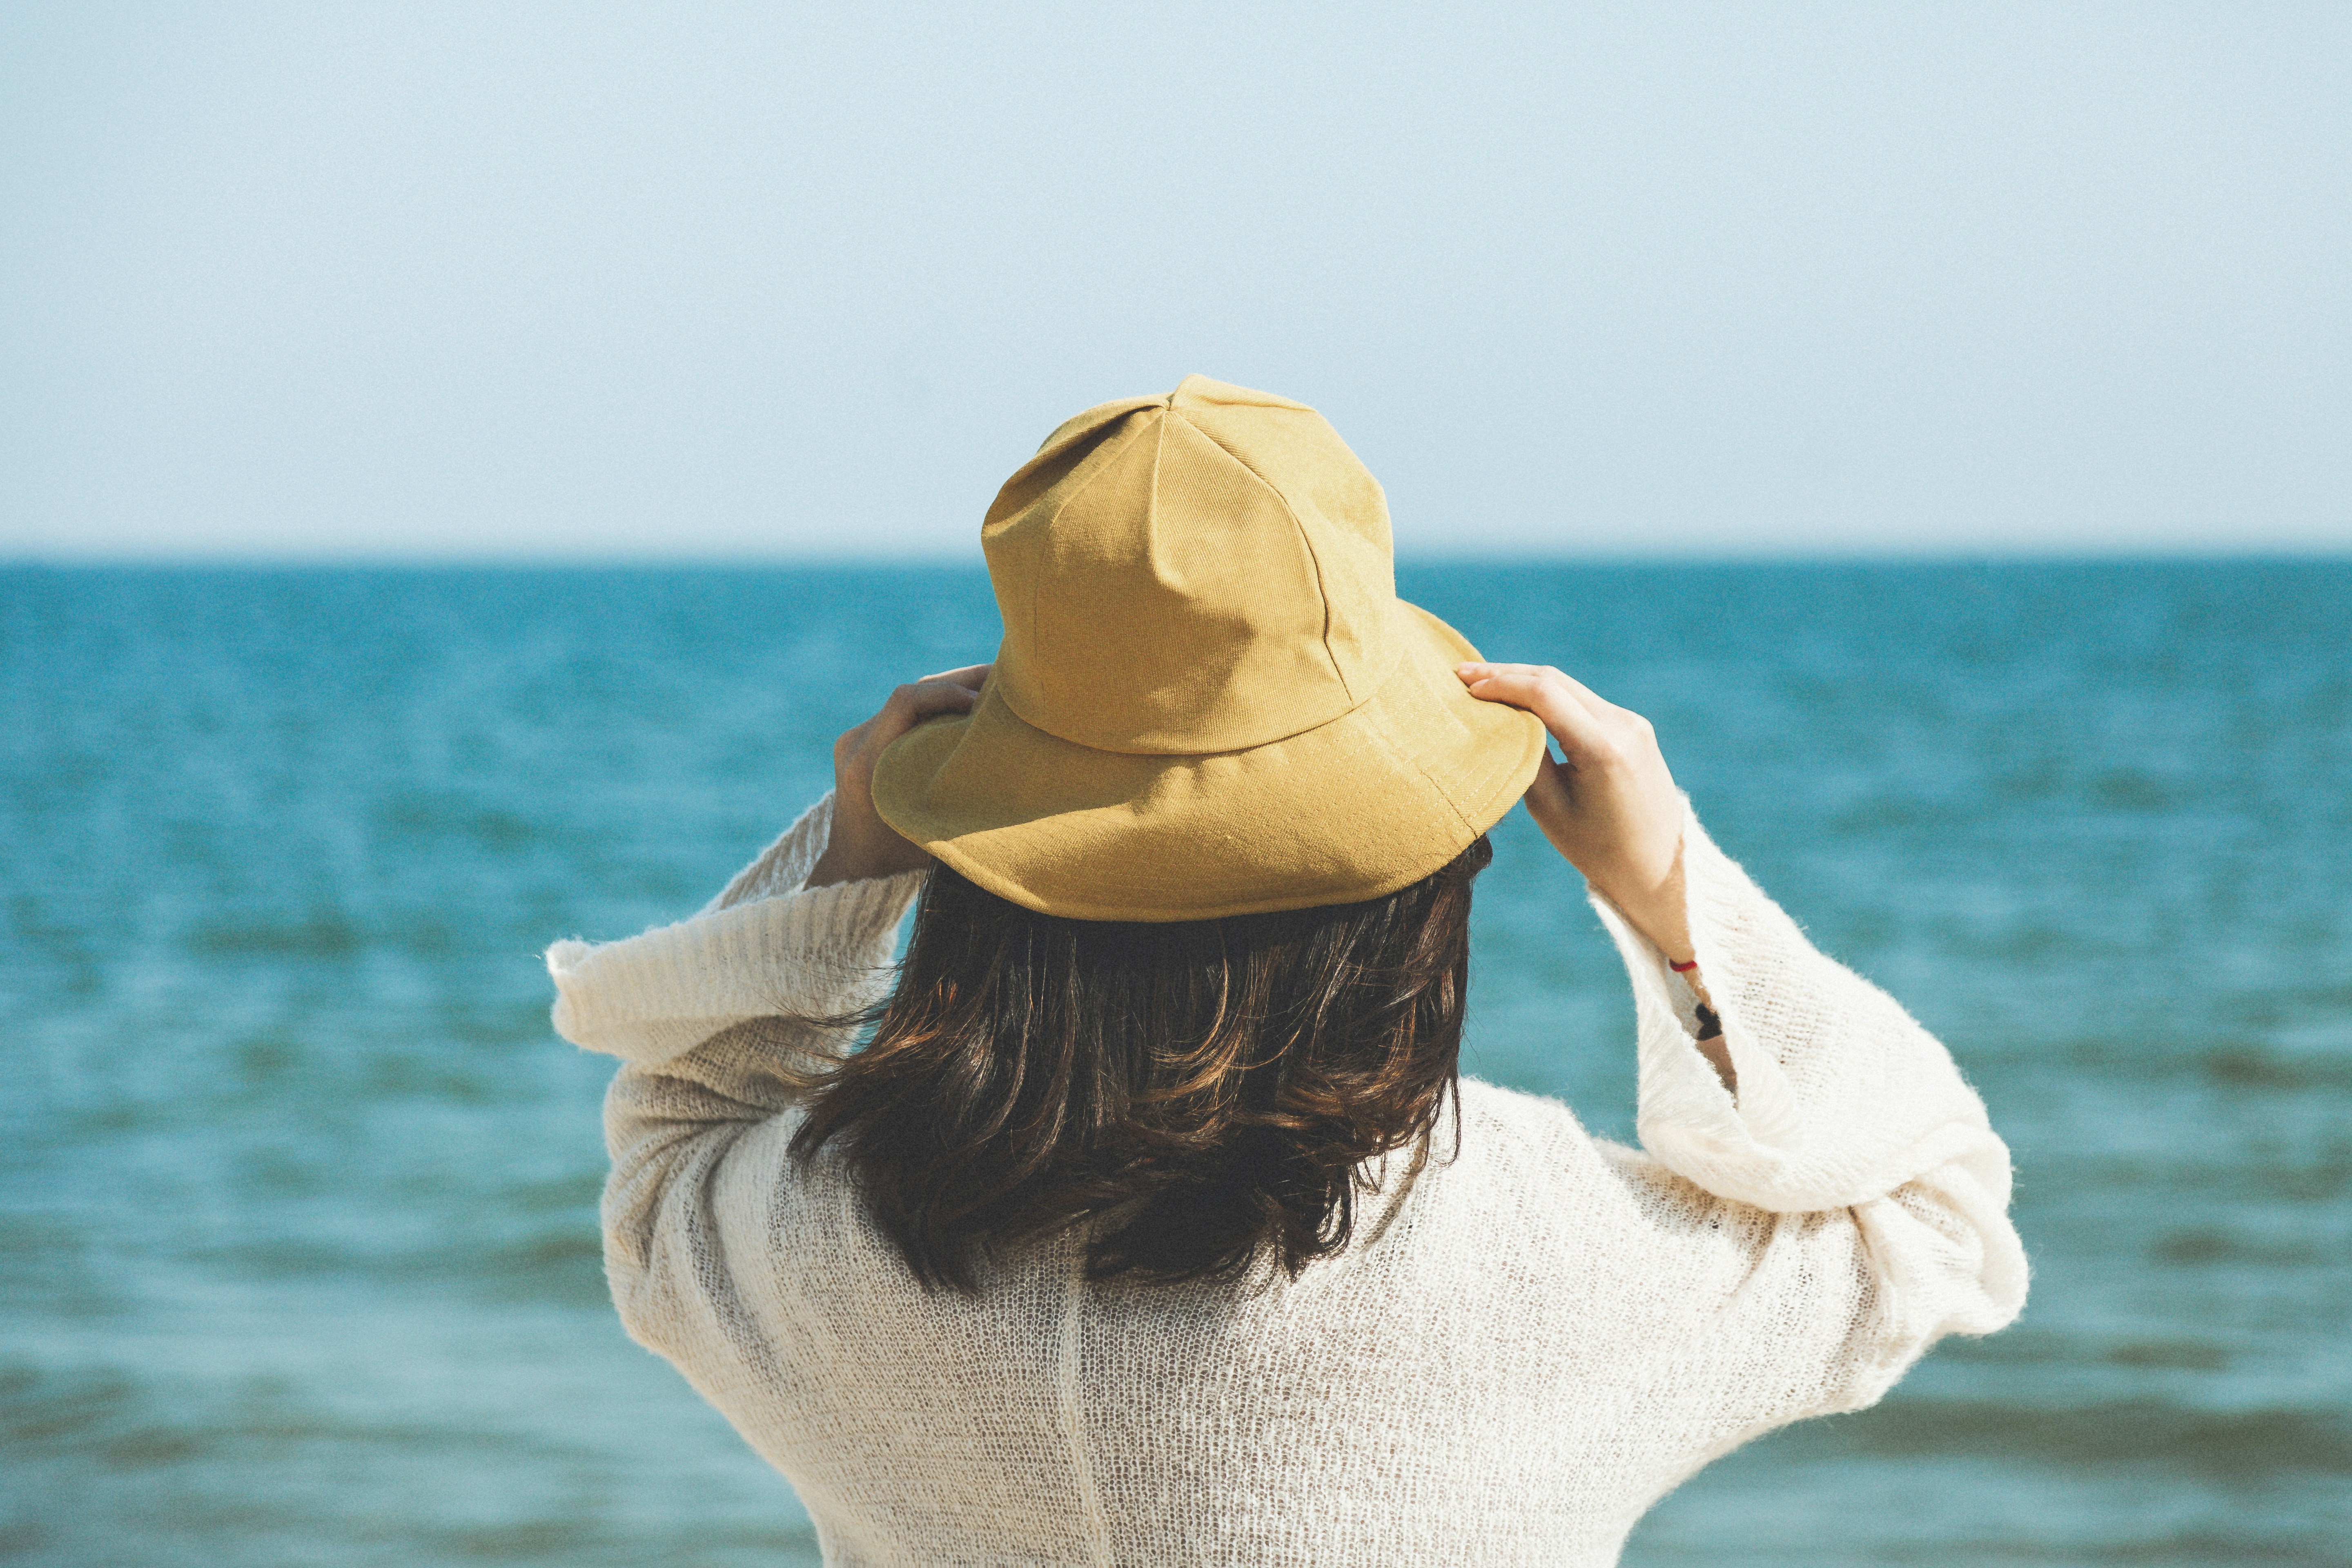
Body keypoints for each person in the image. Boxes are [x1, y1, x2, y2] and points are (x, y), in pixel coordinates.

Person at [547, 376, 2027, 1566]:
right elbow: (1936, 1223)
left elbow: (670, 1145)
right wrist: (1669, 892)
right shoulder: (1539, 1245)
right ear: (1414, 879)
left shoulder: (821, 1232)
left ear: (991, 858)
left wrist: (854, 861)